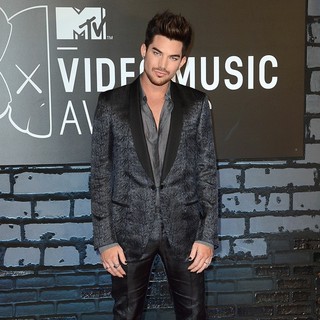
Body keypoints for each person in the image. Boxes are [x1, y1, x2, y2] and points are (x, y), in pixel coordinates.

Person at [91, 10, 218, 320]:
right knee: (127, 314)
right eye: (157, 53)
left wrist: (208, 235)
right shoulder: (111, 104)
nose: (163, 64)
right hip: (128, 232)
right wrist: (105, 239)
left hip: (185, 232)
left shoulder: (196, 105)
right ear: (144, 49)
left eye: (173, 58)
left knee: (193, 314)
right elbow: (100, 175)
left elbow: (207, 172)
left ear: (182, 62)